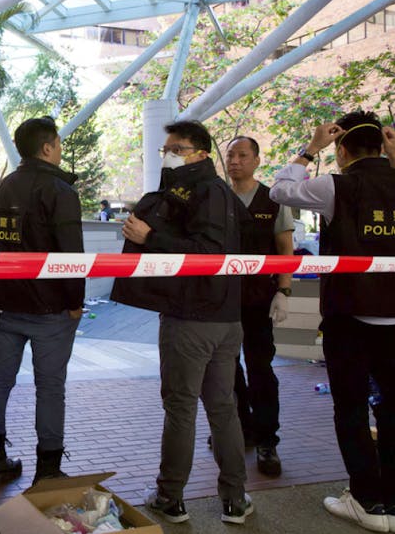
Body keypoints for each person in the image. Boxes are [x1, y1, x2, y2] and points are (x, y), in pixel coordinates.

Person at [270, 111, 395, 534]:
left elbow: (280, 191)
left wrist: (310, 148)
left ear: (341, 151)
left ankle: (365, 499)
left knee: (351, 407)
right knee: (393, 405)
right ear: (382, 147)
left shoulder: (336, 185)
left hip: (353, 316)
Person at [111, 120, 252, 525]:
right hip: (225, 317)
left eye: (177, 148)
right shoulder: (216, 193)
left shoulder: (203, 191)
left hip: (193, 318)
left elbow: (205, 253)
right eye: (166, 149)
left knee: (182, 408)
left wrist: (149, 237)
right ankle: (235, 500)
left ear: (202, 153)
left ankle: (170, 497)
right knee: (223, 408)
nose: (169, 154)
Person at [0, 116, 84, 487]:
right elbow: (72, 255)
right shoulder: (60, 192)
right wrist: (75, 303)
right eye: (57, 144)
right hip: (50, 311)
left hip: (6, 306)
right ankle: (48, 470)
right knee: (50, 387)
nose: (58, 149)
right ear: (46, 148)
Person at [224, 136, 294, 477]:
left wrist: (285, 290)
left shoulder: (274, 200)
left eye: (242, 155)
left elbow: (285, 248)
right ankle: (242, 429)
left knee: (261, 369)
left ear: (256, 160)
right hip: (221, 299)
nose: (234, 161)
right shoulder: (215, 197)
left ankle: (268, 441)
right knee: (227, 367)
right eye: (230, 155)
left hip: (258, 299)